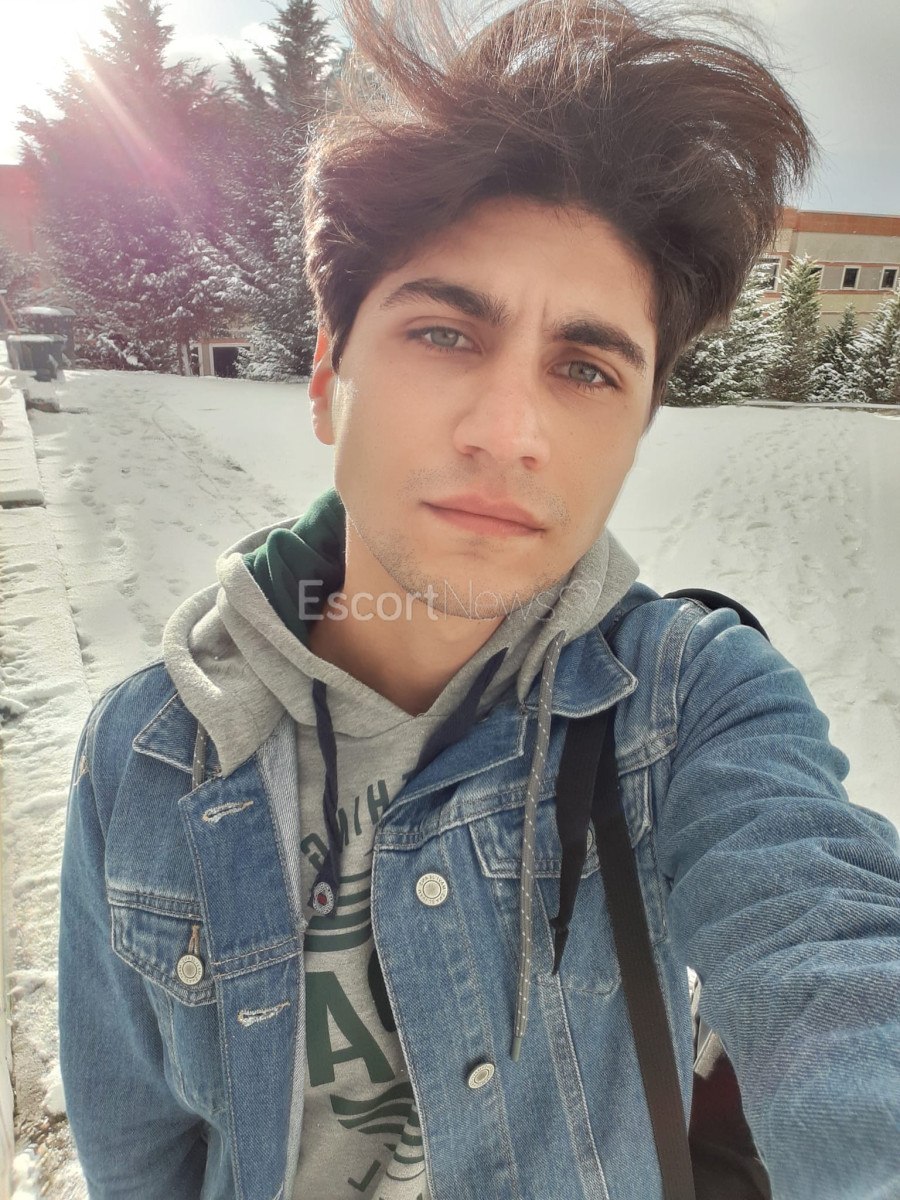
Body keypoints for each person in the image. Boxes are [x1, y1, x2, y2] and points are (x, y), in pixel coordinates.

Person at [58, 1, 900, 1198]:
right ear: (327, 376)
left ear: (636, 431)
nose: (510, 432)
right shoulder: (143, 758)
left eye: (586, 368)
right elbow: (139, 1149)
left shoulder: (691, 707)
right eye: (447, 333)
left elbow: (833, 950)